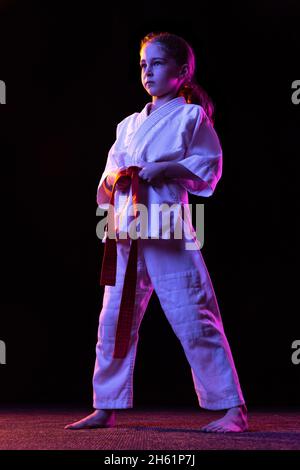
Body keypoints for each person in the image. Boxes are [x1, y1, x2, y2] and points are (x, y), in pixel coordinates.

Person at [65, 31, 248, 433]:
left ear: (182, 72)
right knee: (112, 319)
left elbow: (208, 167)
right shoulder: (128, 125)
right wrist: (116, 180)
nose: (147, 71)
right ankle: (105, 405)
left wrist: (165, 169)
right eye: (143, 64)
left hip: (167, 225)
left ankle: (233, 409)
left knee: (193, 314)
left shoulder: (190, 117)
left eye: (158, 63)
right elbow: (107, 178)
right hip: (126, 228)